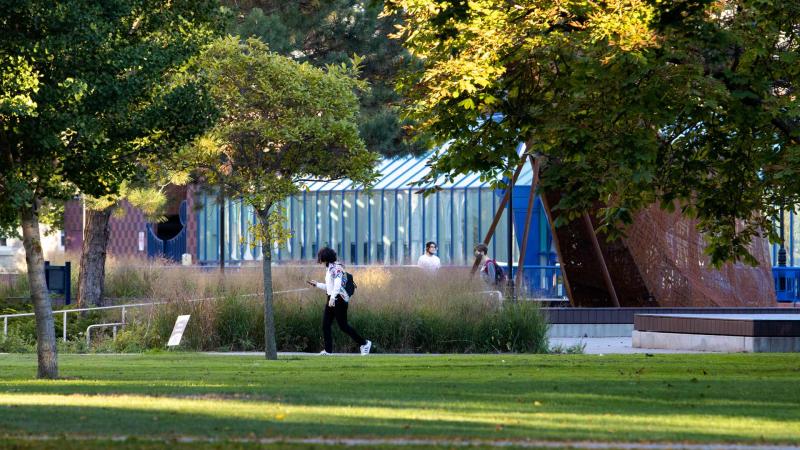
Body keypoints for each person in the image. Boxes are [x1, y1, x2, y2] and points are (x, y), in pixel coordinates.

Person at [307, 247, 371, 356]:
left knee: (343, 326)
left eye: (320, 257)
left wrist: (332, 298)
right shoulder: (329, 268)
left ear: (325, 257)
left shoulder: (336, 268)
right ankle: (328, 351)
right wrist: (317, 284)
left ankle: (365, 343)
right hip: (332, 298)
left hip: (339, 299)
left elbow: (337, 284)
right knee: (325, 325)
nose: (319, 259)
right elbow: (330, 287)